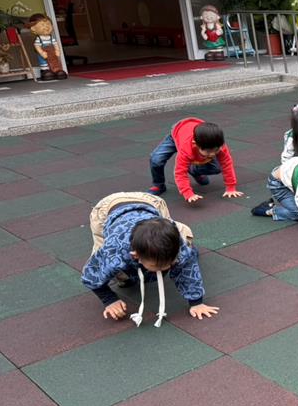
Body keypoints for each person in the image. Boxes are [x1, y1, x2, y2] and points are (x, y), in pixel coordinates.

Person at [82, 192, 216, 325]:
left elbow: (187, 270)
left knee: (184, 250)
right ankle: (125, 275)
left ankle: (186, 249)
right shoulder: (114, 251)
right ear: (136, 256)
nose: (162, 270)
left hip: (150, 202)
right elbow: (91, 276)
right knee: (103, 263)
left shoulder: (179, 246)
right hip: (106, 209)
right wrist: (109, 300)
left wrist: (196, 302)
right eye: (156, 266)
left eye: (169, 264)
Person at [148, 118, 243, 203]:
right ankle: (158, 185)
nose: (212, 154)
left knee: (217, 168)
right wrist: (188, 193)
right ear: (196, 144)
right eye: (209, 151)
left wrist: (231, 187)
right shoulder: (186, 149)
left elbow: (227, 164)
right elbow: (180, 173)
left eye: (216, 150)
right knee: (156, 159)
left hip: (198, 132)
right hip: (177, 132)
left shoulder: (219, 145)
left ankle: (194, 170)